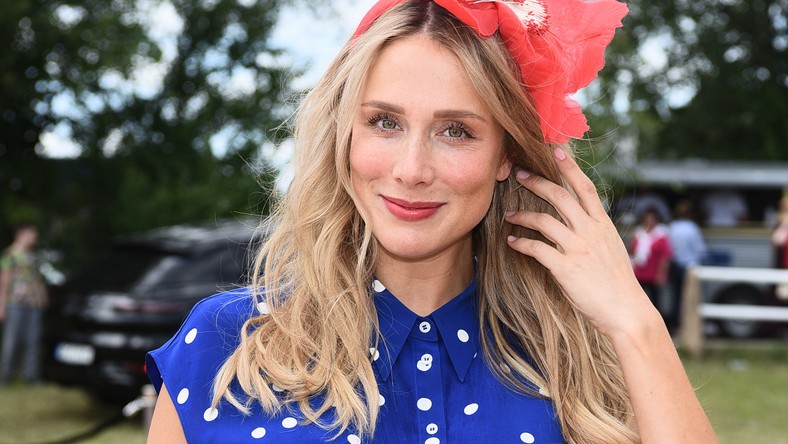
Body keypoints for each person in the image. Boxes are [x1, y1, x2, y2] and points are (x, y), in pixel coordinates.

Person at [147, 1, 717, 442]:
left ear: (505, 157)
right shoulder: (227, 344)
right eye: (385, 122)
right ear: (346, 135)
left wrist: (635, 323)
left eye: (456, 131)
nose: (412, 169)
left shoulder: (578, 358)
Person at [0, 222, 48, 385]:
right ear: (21, 235)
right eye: (32, 234)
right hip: (15, 302)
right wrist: (1, 304)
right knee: (11, 340)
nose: (35, 238)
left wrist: (43, 294)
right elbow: (4, 279)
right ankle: (6, 375)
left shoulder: (33, 256)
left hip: (34, 303)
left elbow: (38, 278)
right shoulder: (9, 254)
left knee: (33, 340)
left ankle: (31, 376)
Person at [668, 200, 707, 333]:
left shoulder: (672, 227)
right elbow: (700, 250)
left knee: (675, 297)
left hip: (675, 265)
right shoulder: (692, 228)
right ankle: (687, 327)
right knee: (690, 298)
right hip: (690, 267)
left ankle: (675, 326)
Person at [629, 207, 672, 320]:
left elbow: (664, 256)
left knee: (655, 300)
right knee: (638, 299)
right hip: (639, 272)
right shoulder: (638, 233)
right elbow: (632, 251)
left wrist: (662, 273)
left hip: (653, 273)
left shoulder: (661, 235)